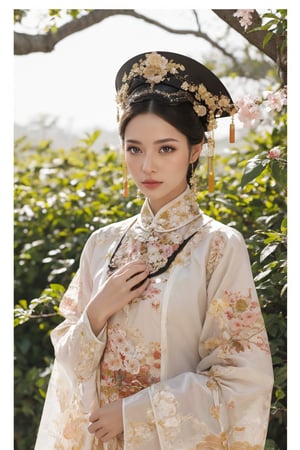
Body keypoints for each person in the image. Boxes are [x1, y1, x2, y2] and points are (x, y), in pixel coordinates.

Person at [34, 51, 274, 450]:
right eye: (134, 149)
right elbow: (68, 368)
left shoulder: (217, 246)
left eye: (165, 149)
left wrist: (132, 413)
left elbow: (242, 379)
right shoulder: (103, 244)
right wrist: (96, 311)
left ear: (194, 151)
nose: (147, 166)